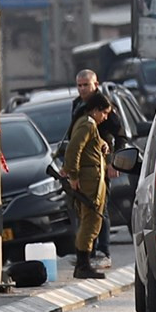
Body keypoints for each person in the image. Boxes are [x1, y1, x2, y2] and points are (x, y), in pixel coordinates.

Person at [56, 69, 128, 269]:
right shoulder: (78, 106)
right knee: (86, 211)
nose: (82, 89)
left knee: (99, 210)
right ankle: (87, 253)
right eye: (79, 85)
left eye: (86, 85)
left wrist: (115, 160)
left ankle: (103, 252)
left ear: (96, 84)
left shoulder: (102, 104)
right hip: (84, 168)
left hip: (99, 167)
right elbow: (75, 142)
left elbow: (121, 134)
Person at [63, 90, 113, 279]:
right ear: (95, 110)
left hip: (93, 179)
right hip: (88, 181)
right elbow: (74, 149)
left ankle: (84, 263)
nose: (105, 117)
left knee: (92, 220)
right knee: (91, 221)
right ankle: (83, 265)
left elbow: (92, 142)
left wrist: (103, 145)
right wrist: (74, 175)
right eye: (104, 113)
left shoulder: (89, 124)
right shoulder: (87, 124)